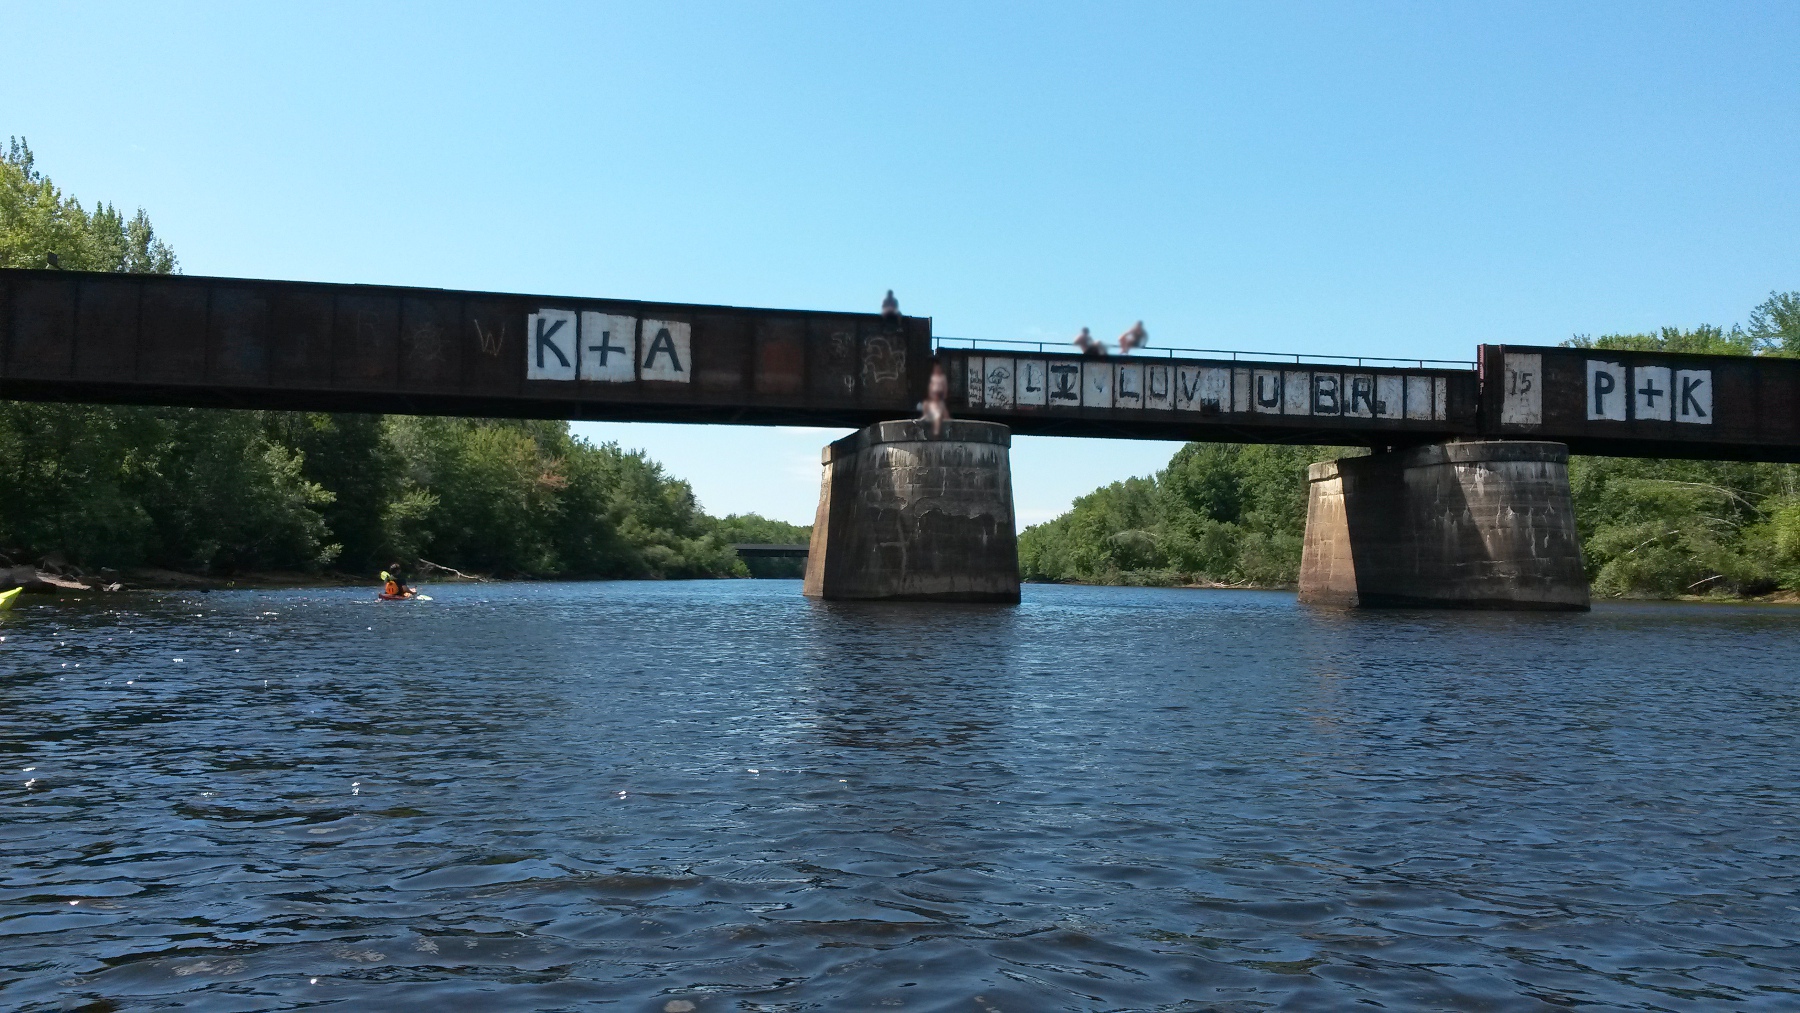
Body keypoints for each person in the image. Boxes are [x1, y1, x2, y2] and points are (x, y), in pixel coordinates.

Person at [919, 361, 950, 436]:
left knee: (938, 416)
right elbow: (930, 387)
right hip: (930, 415)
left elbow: (947, 418)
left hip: (938, 418)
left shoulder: (943, 378)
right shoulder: (927, 403)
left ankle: (936, 432)